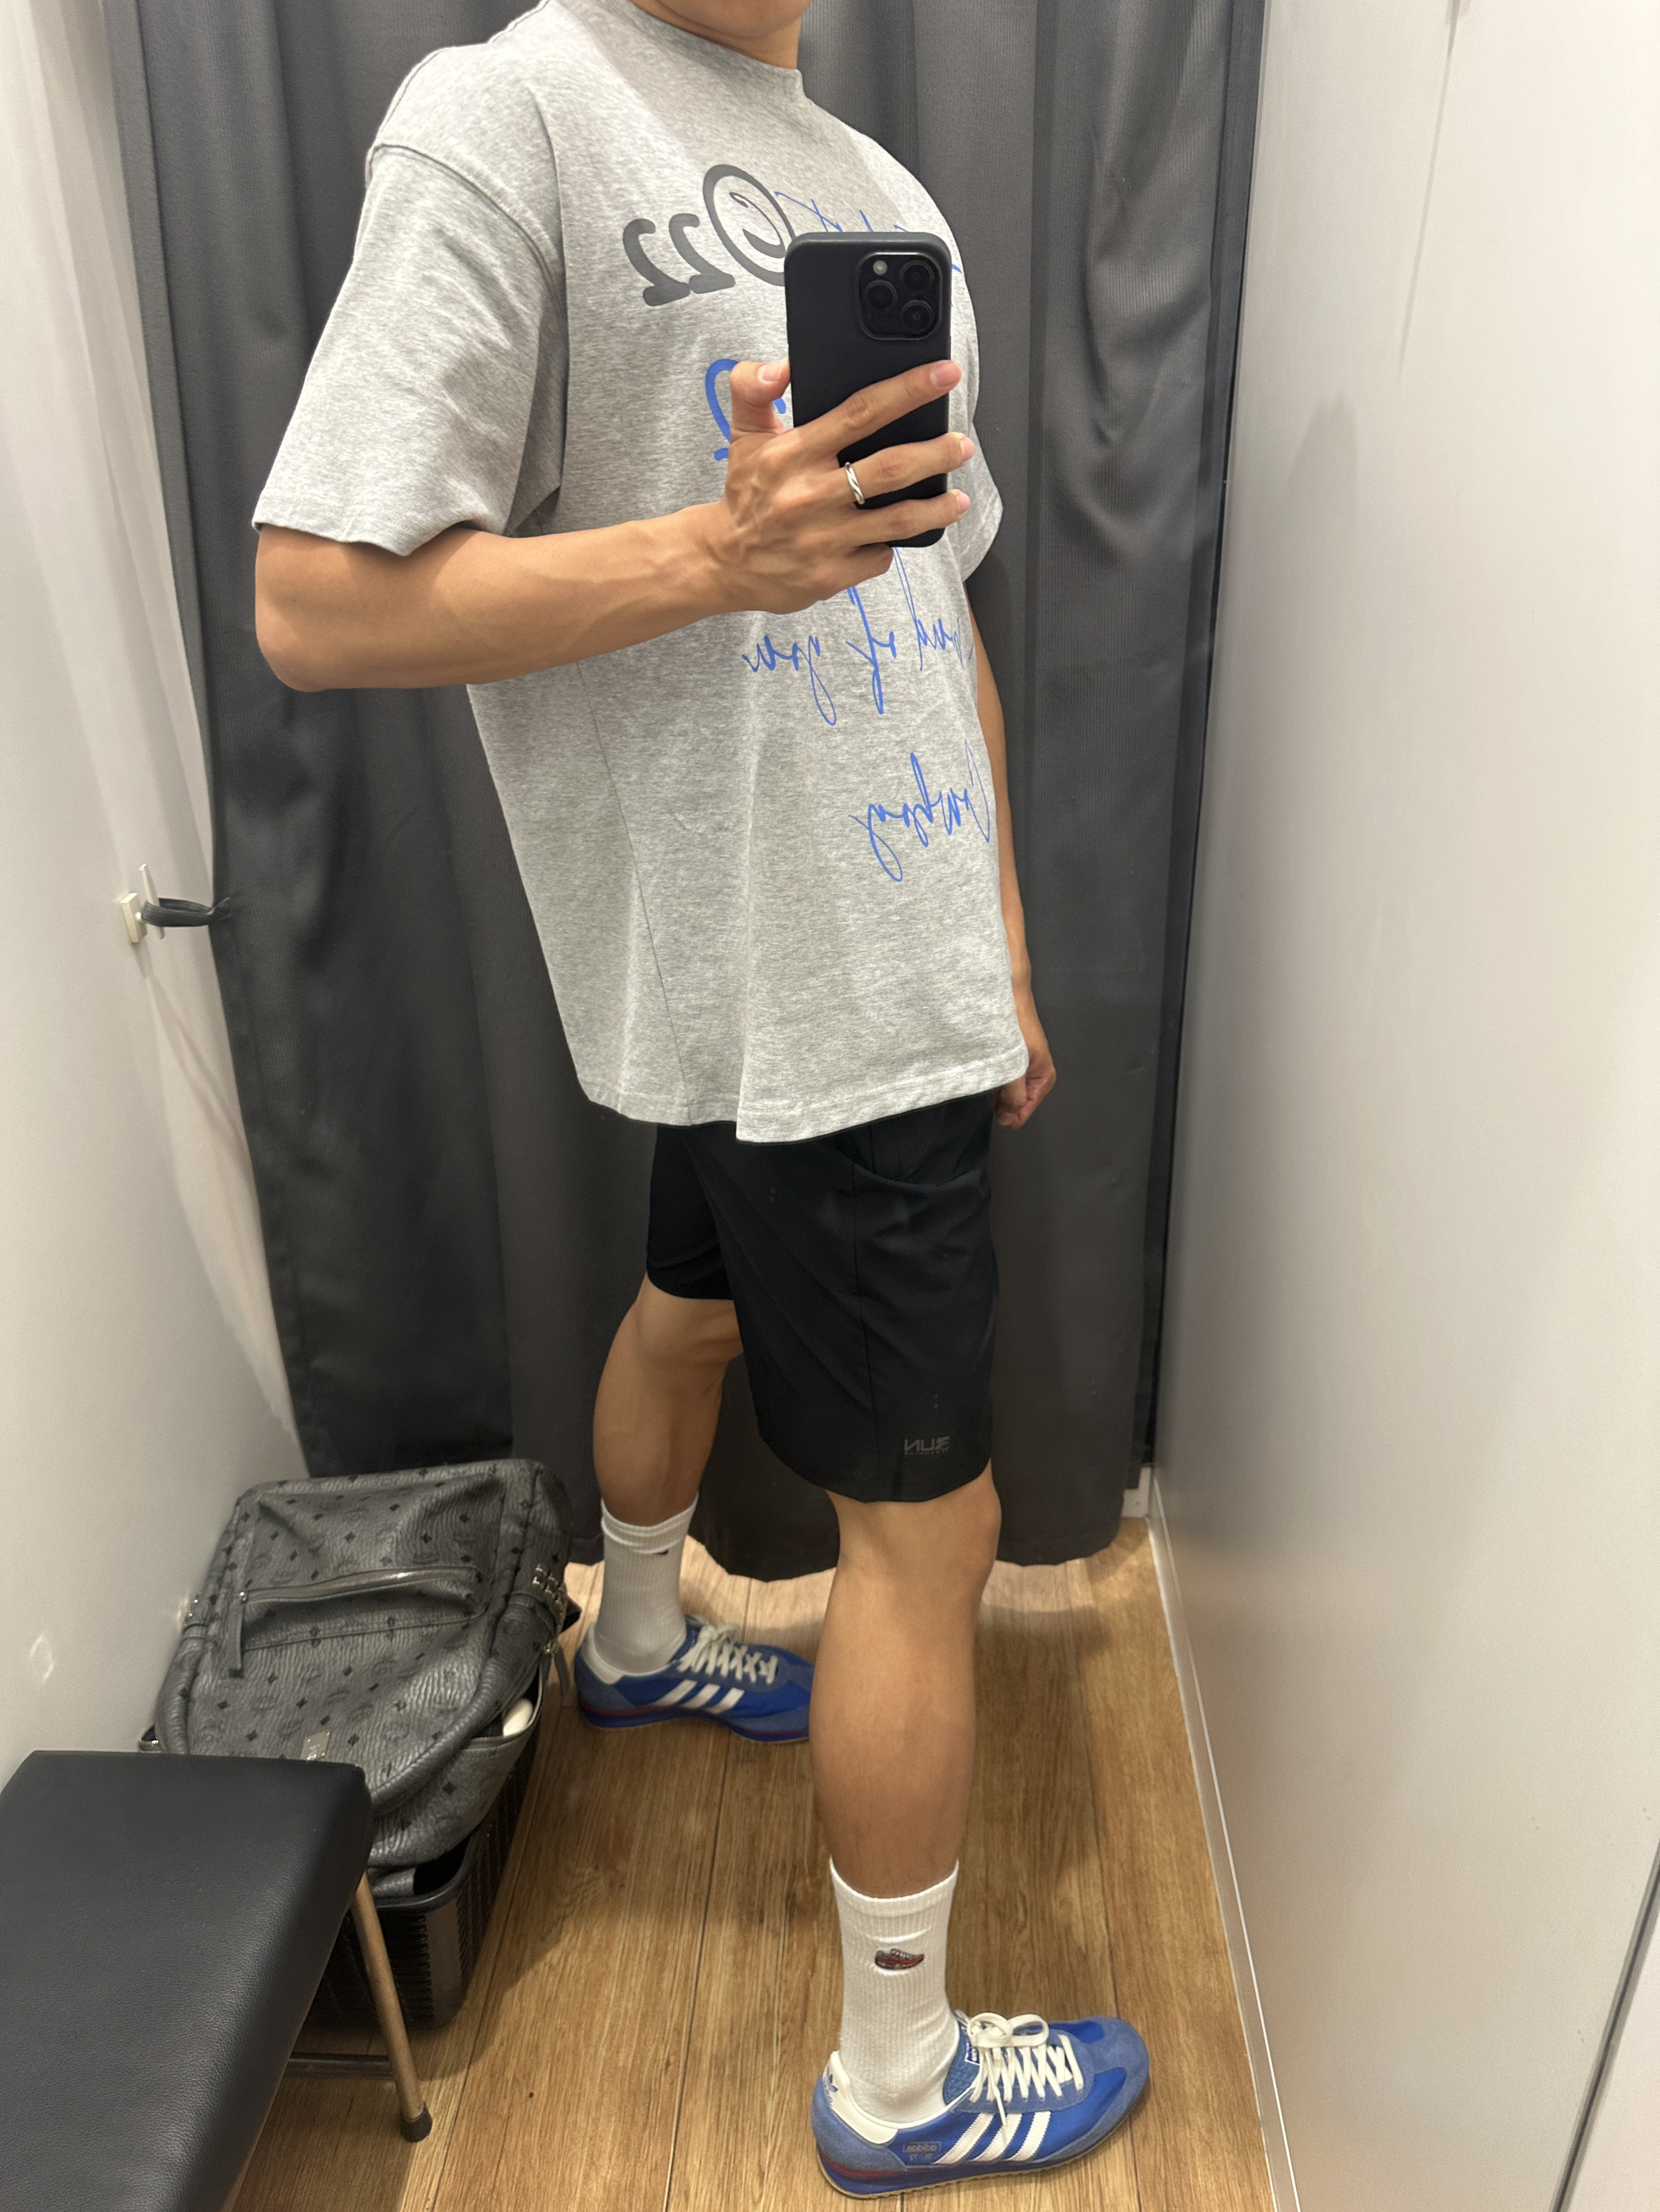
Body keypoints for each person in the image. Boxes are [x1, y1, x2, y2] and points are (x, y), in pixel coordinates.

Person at [253, 0, 1147, 2189]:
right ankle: (900, 2079)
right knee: (926, 1534)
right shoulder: (507, 111)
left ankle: (639, 1639)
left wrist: (1000, 935)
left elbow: (931, 599)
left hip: (870, 954)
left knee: (689, 1307)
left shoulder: (886, 194)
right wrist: (711, 555)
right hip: (778, 977)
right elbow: (318, 600)